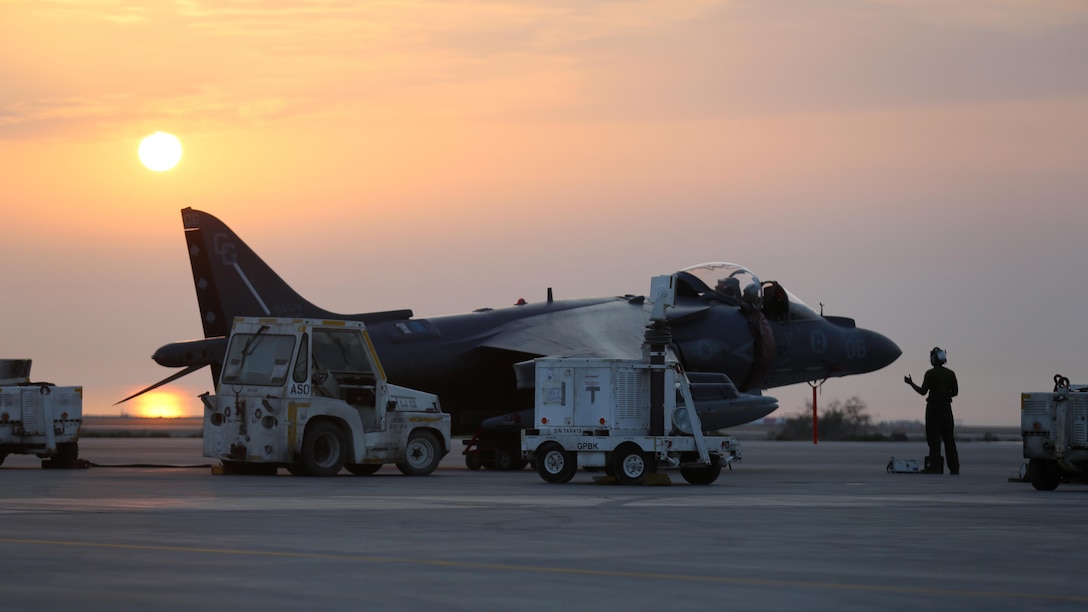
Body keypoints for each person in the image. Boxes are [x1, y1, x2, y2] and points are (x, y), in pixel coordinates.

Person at [905, 347, 959, 474]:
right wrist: (945, 396)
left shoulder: (930, 373)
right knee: (949, 439)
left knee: (934, 439)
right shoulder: (951, 373)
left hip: (934, 409)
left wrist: (911, 383)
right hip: (947, 408)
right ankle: (954, 467)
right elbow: (955, 392)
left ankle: (934, 466)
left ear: (934, 358)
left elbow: (923, 391)